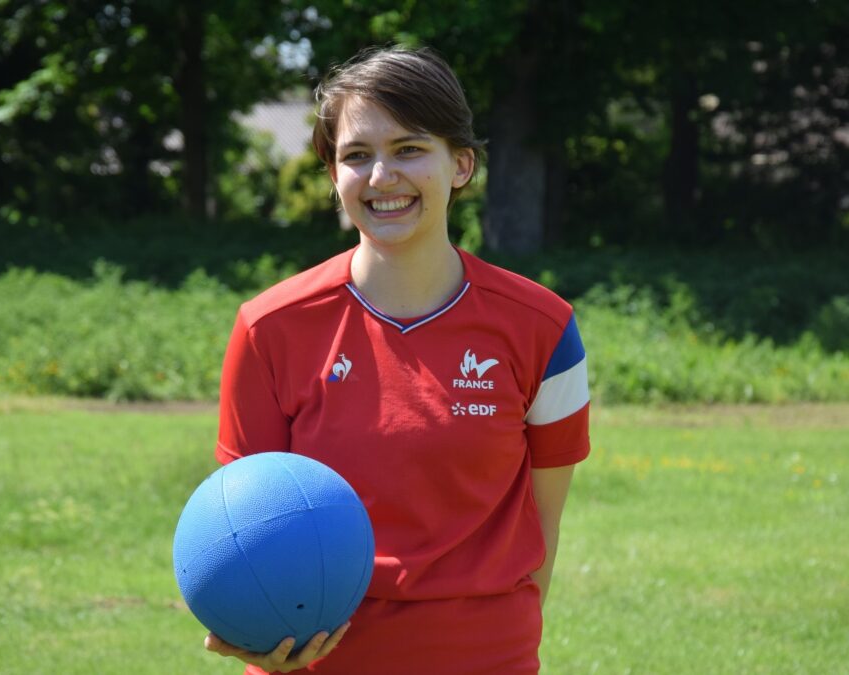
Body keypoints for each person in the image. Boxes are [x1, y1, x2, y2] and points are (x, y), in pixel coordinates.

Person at [204, 45, 591, 674]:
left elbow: (541, 533)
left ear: (461, 164)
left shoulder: (545, 330)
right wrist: (251, 633)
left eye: (409, 148)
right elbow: (245, 527)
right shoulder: (268, 328)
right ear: (333, 175)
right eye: (357, 156)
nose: (382, 176)